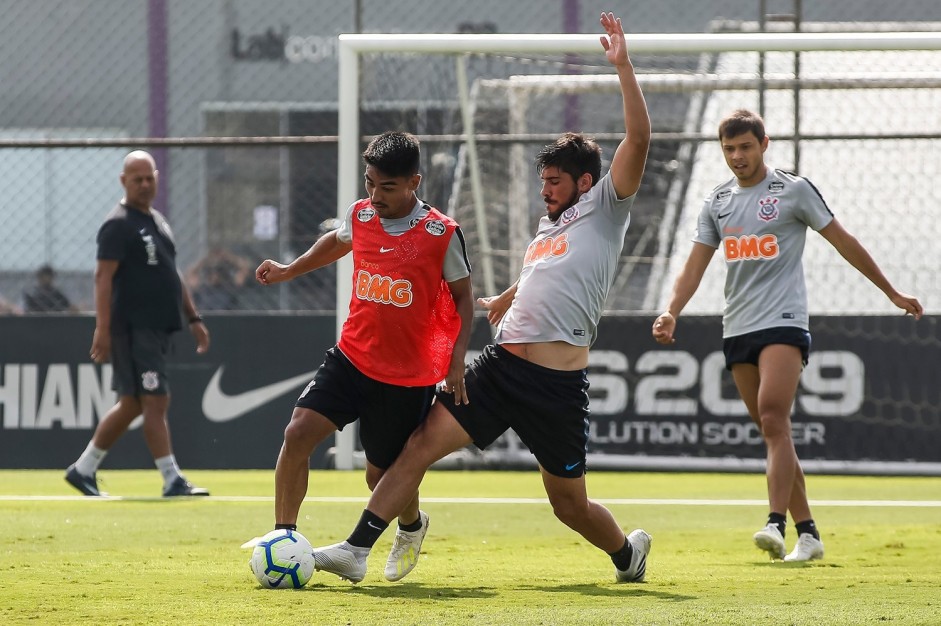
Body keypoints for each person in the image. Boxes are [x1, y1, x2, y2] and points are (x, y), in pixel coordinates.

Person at [311, 12, 652, 584]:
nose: (544, 191)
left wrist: (623, 67)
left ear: (585, 183)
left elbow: (639, 138)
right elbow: (546, 279)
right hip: (498, 370)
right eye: (542, 180)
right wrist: (503, 300)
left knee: (568, 506)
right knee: (417, 446)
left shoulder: (607, 207)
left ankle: (627, 555)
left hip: (555, 387)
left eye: (554, 182)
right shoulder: (549, 230)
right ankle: (356, 549)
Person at [651, 109, 924, 562]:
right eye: (729, 149)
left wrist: (891, 291)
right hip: (736, 325)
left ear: (764, 143)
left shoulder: (792, 190)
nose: (738, 157)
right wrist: (670, 310)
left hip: (783, 320)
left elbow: (843, 240)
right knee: (774, 432)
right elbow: (695, 264)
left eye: (745, 147)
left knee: (774, 418)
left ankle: (775, 523)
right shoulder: (716, 202)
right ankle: (810, 534)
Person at [251, 130, 474, 582]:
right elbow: (337, 241)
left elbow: (464, 298)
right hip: (352, 358)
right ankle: (284, 538)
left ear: (414, 181)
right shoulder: (361, 214)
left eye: (387, 187)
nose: (375, 195)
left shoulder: (441, 233)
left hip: (407, 377)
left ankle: (411, 525)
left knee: (380, 478)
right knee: (298, 432)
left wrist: (455, 360)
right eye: (370, 183)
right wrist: (290, 269)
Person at [65, 150, 211, 498]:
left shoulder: (157, 220)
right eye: (137, 179)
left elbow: (170, 273)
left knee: (133, 402)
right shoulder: (118, 224)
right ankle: (171, 478)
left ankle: (83, 469)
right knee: (155, 399)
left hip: (157, 327)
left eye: (149, 178)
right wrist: (102, 328)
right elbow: (103, 277)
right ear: (123, 181)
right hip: (133, 328)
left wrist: (193, 317)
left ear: (157, 177)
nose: (145, 185)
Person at [186, 247, 252, 311]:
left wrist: (227, 256)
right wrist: (206, 259)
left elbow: (245, 268)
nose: (215, 275)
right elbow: (191, 273)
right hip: (205, 317)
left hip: (225, 318)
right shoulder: (202, 288)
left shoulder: (230, 287)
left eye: (219, 270)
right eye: (211, 271)